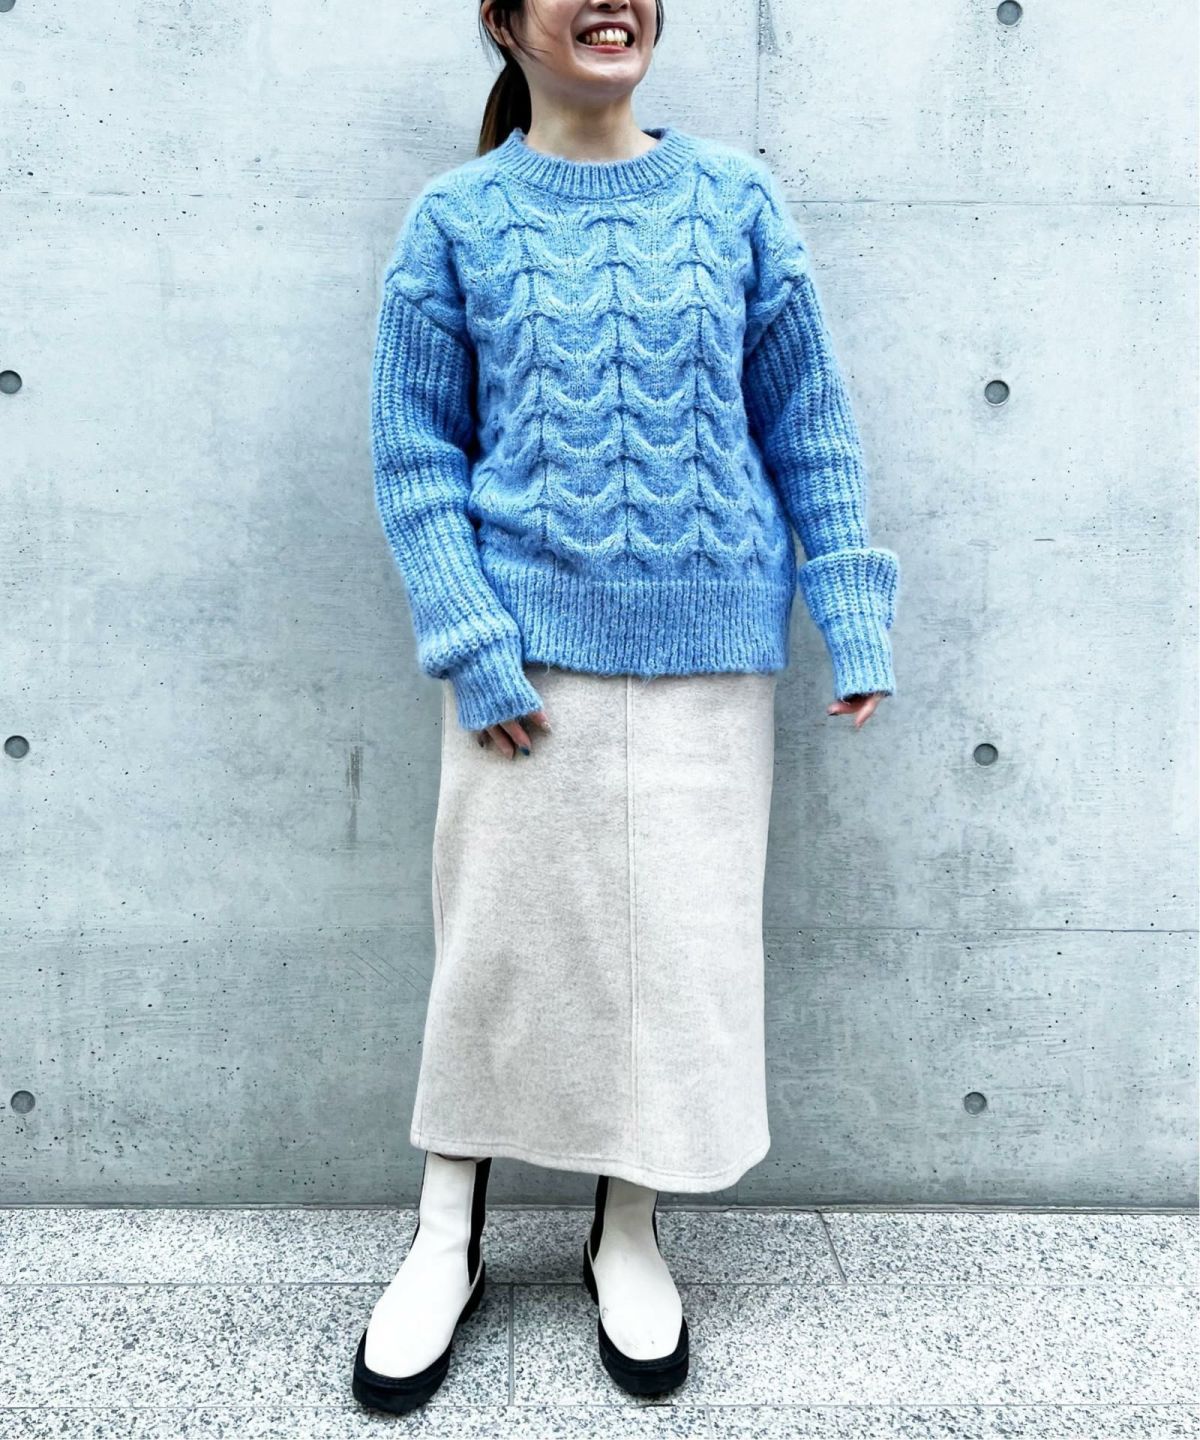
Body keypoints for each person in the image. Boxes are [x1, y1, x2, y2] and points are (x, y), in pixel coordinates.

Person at [352, 0, 900, 1416]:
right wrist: (470, 639)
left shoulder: (736, 201)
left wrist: (851, 608)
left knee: (673, 956)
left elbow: (807, 419)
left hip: (713, 657)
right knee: (496, 951)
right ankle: (445, 1235)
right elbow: (416, 454)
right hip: (524, 668)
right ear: (504, 21)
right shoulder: (457, 220)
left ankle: (630, 1229)